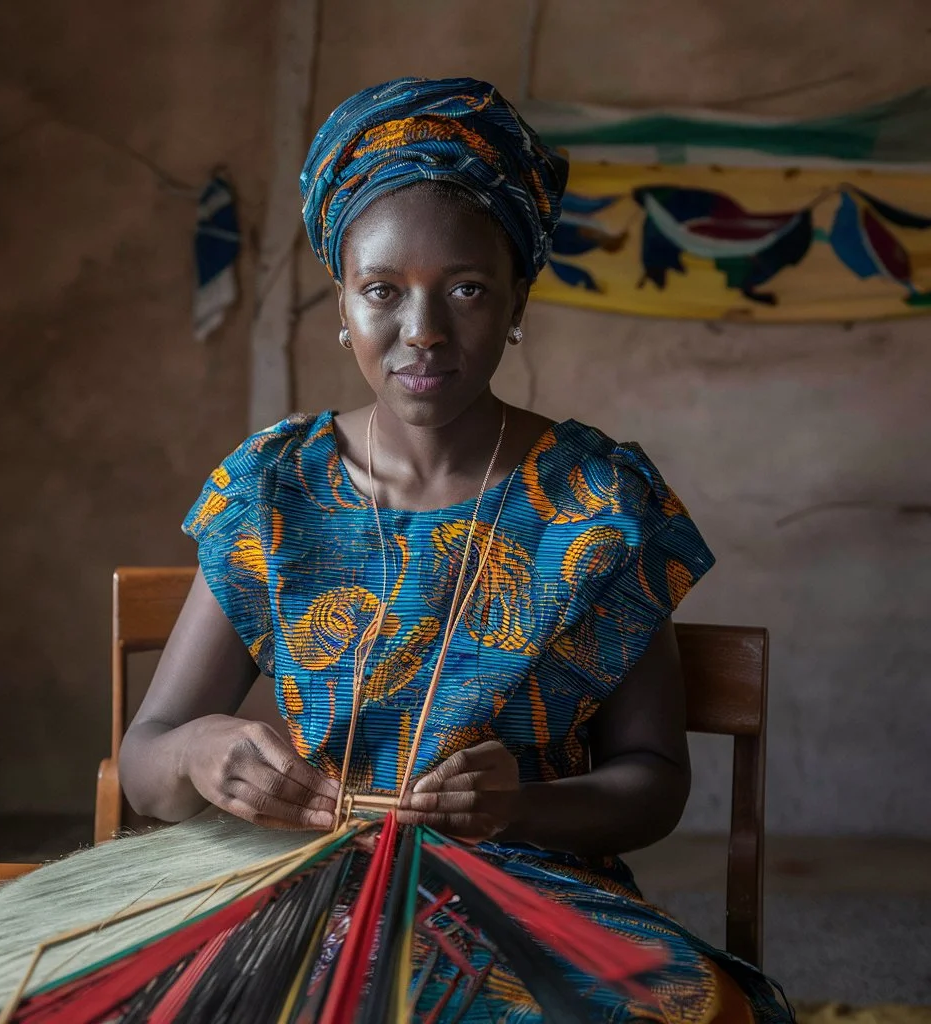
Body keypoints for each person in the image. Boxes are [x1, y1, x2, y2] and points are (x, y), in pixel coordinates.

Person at [119, 76, 791, 1023]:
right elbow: (145, 763)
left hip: (538, 896)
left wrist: (524, 808)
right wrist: (197, 751)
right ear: (344, 305)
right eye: (382, 292)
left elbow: (654, 780)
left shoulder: (599, 505)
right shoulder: (274, 493)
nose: (422, 333)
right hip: (306, 885)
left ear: (518, 295)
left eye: (467, 289)